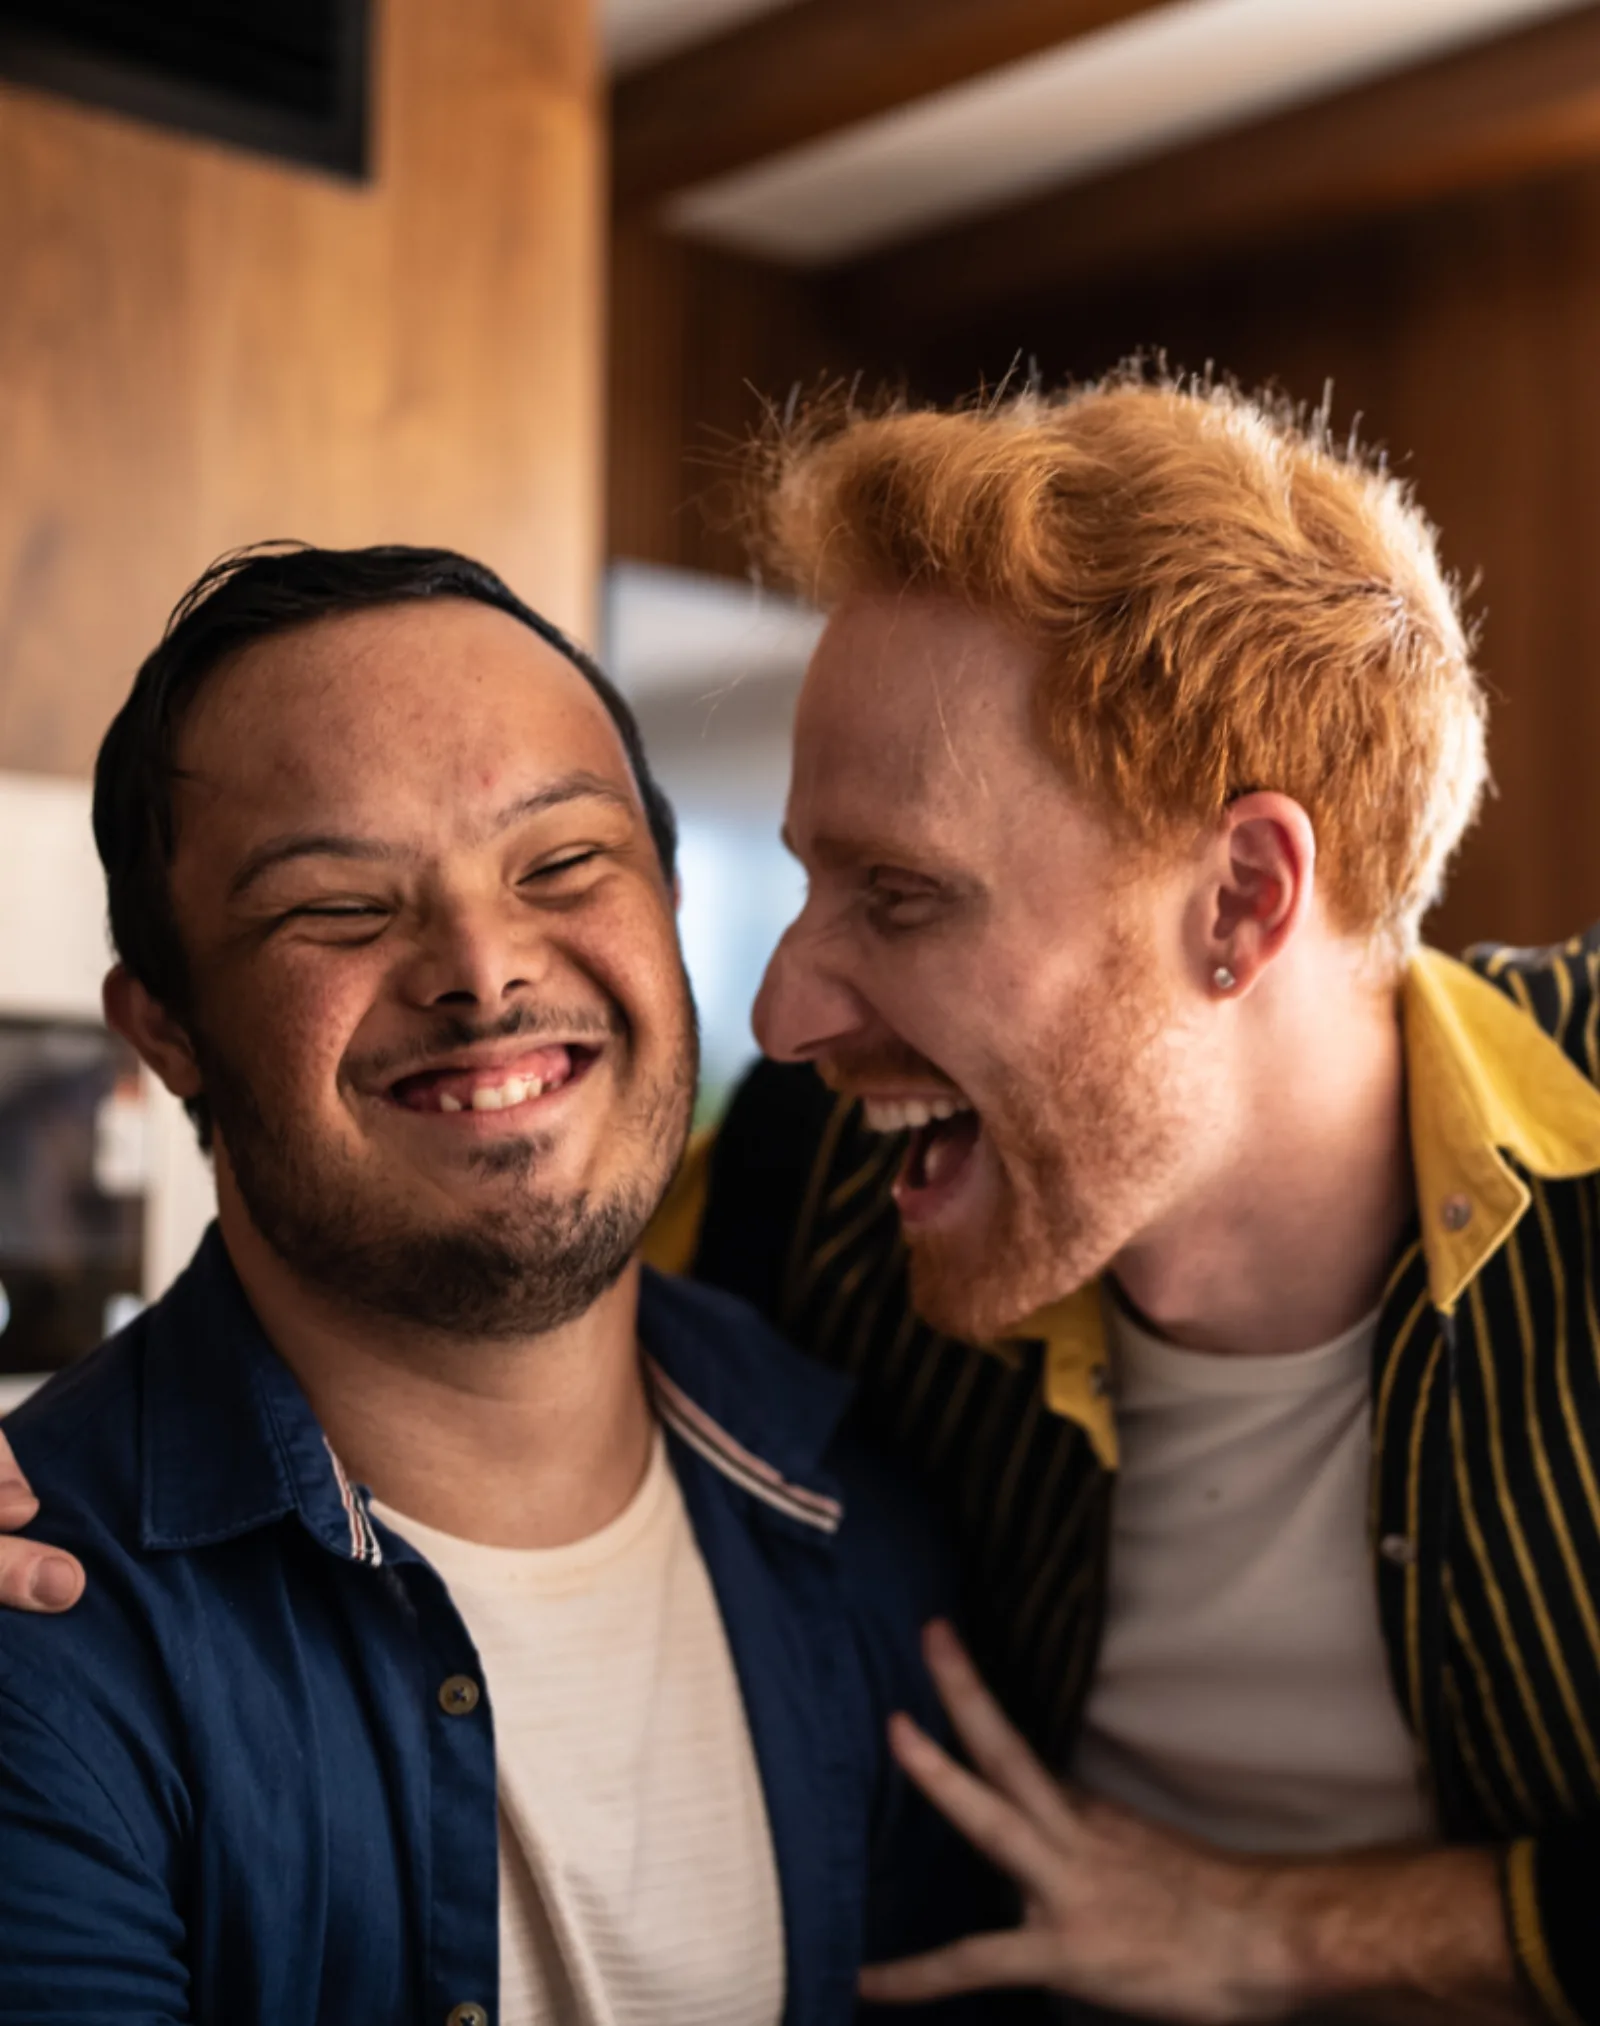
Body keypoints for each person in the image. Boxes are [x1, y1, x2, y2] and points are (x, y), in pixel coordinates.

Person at [0, 543, 1010, 2025]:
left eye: (562, 864)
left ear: (668, 904)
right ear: (169, 1032)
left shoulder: (867, 1489)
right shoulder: (45, 1635)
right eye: (336, 905)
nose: (481, 967)